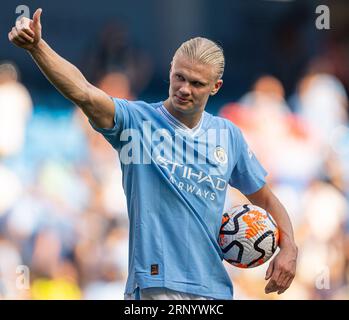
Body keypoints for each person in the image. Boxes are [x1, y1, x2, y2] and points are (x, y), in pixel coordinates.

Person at [9, 8, 298, 300]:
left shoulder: (228, 135)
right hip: (154, 288)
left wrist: (289, 247)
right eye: (179, 77)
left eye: (197, 83)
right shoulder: (136, 122)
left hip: (214, 292)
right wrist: (37, 47)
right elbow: (83, 91)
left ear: (216, 87)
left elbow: (266, 199)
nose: (184, 89)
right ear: (170, 70)